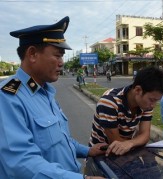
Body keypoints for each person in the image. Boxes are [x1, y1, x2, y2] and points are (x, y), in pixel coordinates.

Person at [0, 16, 107, 179]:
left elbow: (60, 141)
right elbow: (21, 163)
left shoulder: (45, 92)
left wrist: (87, 150)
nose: (62, 62)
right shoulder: (8, 98)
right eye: (57, 55)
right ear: (33, 54)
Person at [89, 66, 163, 156]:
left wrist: (130, 143)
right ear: (138, 90)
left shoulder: (146, 105)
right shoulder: (110, 102)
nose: (153, 105)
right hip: (101, 156)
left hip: (126, 153)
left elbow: (145, 135)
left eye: (156, 101)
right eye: (152, 100)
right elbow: (115, 143)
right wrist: (136, 142)